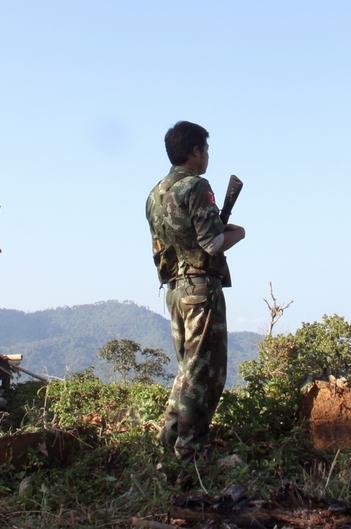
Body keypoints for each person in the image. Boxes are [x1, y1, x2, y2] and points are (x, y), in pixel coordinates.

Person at [145, 121, 245, 461]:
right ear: (194, 151)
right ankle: (190, 453)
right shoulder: (196, 186)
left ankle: (170, 439)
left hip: (174, 290)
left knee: (188, 369)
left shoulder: (154, 194)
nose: (206, 156)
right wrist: (238, 233)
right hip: (201, 289)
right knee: (205, 374)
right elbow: (212, 243)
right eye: (204, 149)